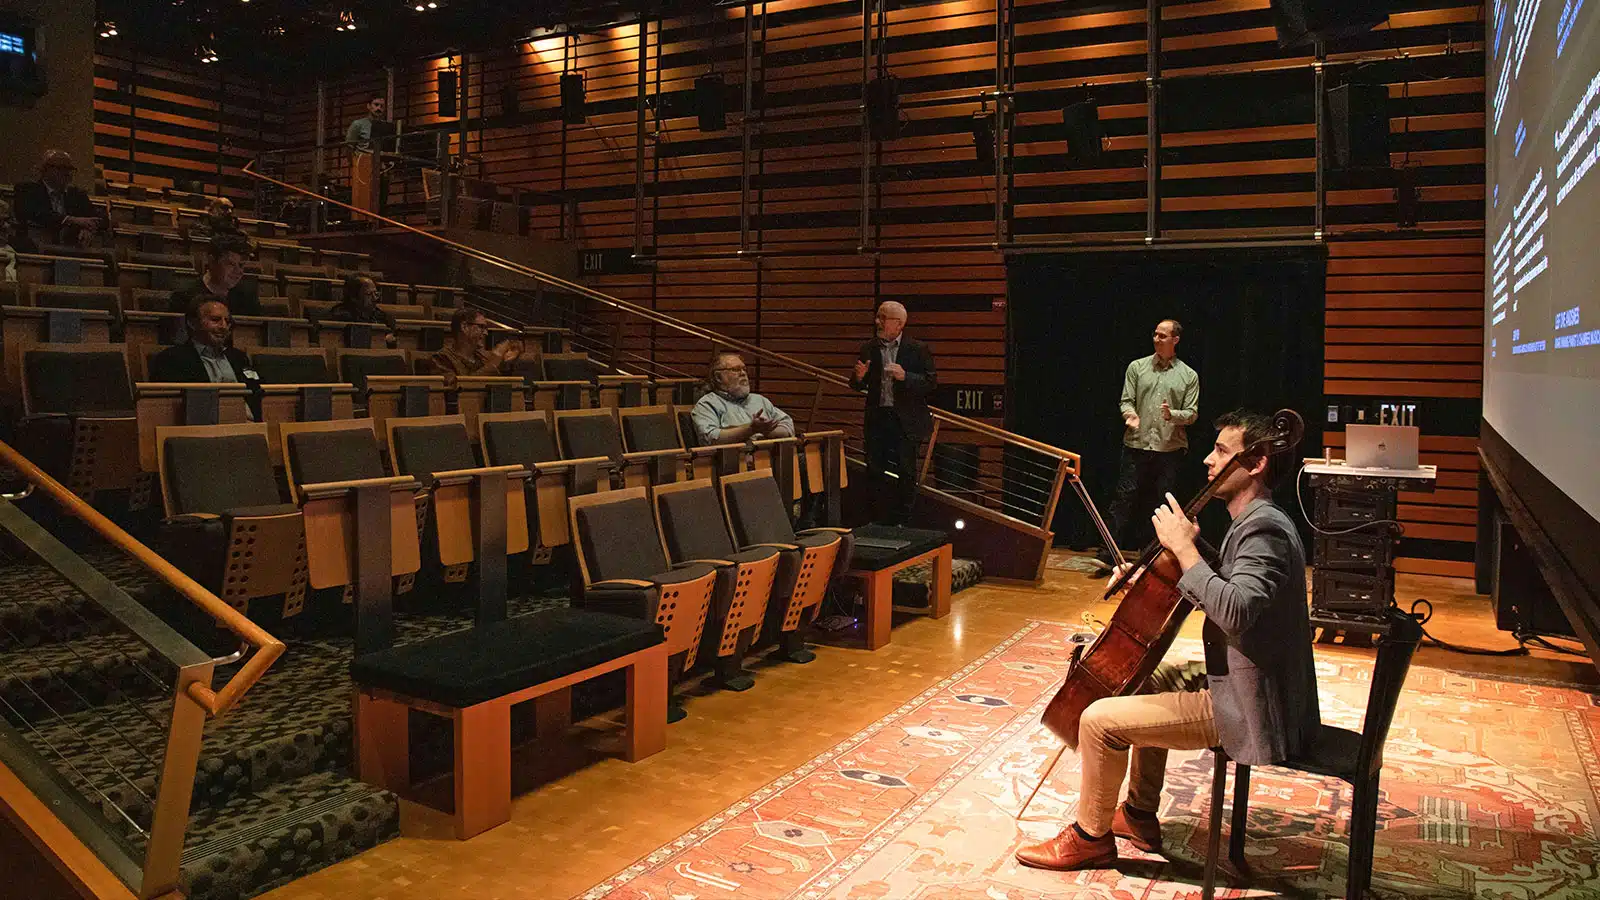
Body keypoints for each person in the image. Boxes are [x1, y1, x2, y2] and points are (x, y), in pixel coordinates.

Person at [1015, 409, 1319, 872]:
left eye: (1221, 450)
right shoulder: (1256, 521)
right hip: (1252, 684)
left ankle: (1089, 839)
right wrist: (1177, 565)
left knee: (1099, 719)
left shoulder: (1264, 528)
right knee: (1147, 680)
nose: (1207, 460)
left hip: (1255, 704)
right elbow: (1235, 592)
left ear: (1255, 463)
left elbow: (1235, 611)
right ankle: (1138, 814)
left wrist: (1184, 549)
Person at [1100, 318, 1199, 569]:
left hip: (1169, 448)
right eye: (1155, 334)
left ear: (1175, 340)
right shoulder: (1137, 367)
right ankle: (1107, 553)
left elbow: (1192, 413)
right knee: (1124, 498)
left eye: (1163, 336)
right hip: (1136, 443)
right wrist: (1129, 415)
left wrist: (1173, 415)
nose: (1157, 339)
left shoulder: (1188, 375)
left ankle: (1154, 556)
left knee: (1162, 504)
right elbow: (1126, 401)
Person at [849, 301, 935, 526]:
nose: (877, 322)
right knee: (874, 470)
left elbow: (930, 382)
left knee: (906, 472)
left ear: (899, 324)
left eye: (883, 317)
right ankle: (876, 522)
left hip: (906, 422)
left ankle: (903, 523)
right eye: (877, 316)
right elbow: (857, 385)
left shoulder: (917, 349)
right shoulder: (868, 348)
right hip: (878, 419)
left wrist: (905, 376)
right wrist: (859, 378)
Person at [149, 299, 262, 418]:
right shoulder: (171, 359)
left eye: (227, 321)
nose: (224, 326)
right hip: (203, 430)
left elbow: (258, 397)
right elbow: (167, 410)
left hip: (251, 427)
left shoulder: (239, 358)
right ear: (192, 323)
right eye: (215, 320)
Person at [12, 150, 108, 251]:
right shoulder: (26, 190)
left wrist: (88, 229)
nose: (67, 173)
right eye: (61, 168)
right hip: (36, 247)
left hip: (71, 249)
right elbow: (36, 213)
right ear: (45, 170)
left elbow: (102, 219)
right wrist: (71, 220)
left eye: (70, 169)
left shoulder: (76, 194)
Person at [692, 351, 795, 445]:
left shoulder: (759, 400)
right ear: (718, 377)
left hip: (767, 458)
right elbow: (710, 438)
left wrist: (766, 431)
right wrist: (751, 429)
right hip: (732, 462)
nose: (743, 373)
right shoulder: (707, 404)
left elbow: (788, 426)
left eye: (744, 369)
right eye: (735, 369)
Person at [167, 234, 261, 318]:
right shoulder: (184, 297)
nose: (238, 271)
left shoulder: (248, 297)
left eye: (241, 265)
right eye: (230, 264)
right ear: (212, 262)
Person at [428, 307, 523, 381]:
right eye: (481, 327)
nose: (486, 333)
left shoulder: (482, 357)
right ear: (464, 327)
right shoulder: (440, 359)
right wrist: (494, 361)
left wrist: (516, 349)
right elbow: (458, 390)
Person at [319, 274, 398, 348]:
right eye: (369, 294)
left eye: (376, 294)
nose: (375, 298)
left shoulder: (382, 316)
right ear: (354, 297)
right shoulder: (339, 316)